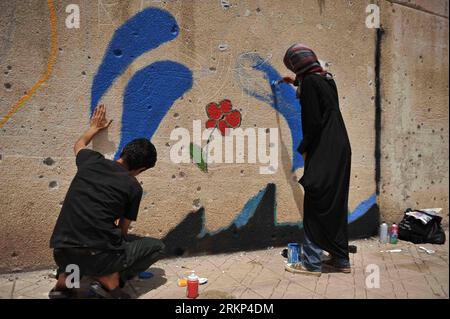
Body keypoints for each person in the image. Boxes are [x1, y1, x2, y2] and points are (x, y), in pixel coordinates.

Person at [49, 104, 165, 299]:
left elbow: (78, 145)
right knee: (156, 246)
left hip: (61, 249)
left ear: (123, 153)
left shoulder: (91, 160)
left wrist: (94, 127)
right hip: (100, 256)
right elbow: (122, 231)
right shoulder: (133, 187)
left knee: (77, 250)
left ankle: (67, 282)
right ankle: (108, 280)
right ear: (141, 169)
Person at [282, 44, 352, 276]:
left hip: (324, 147)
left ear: (297, 64)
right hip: (340, 146)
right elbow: (320, 100)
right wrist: (295, 82)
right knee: (334, 202)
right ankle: (341, 259)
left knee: (314, 200)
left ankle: (311, 263)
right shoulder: (326, 79)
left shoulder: (310, 83)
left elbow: (312, 121)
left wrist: (305, 149)